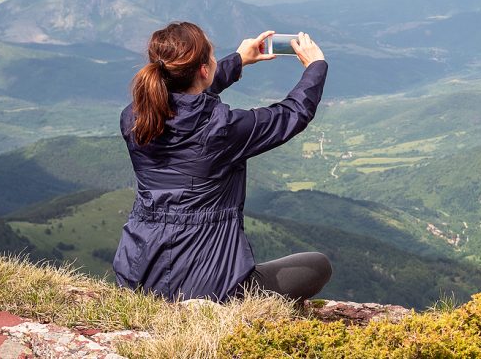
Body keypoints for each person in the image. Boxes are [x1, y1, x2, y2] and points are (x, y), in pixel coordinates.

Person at [113, 22, 332, 302]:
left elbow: (183, 98)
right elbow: (293, 113)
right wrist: (315, 66)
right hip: (210, 289)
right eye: (212, 57)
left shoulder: (135, 117)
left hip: (138, 279)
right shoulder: (222, 129)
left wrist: (238, 61)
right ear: (204, 70)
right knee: (317, 265)